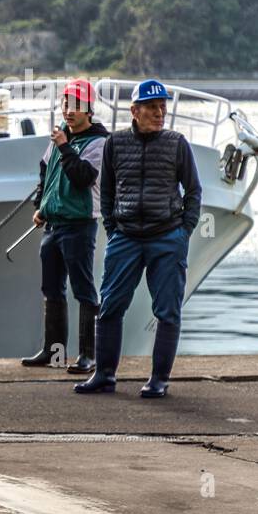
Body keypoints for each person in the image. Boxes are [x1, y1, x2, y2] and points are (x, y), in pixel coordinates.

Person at [75, 79, 202, 398]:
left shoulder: (177, 143)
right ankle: (104, 375)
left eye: (163, 107)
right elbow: (106, 190)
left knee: (167, 310)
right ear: (134, 111)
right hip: (125, 237)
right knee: (110, 306)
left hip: (167, 237)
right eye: (152, 107)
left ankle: (158, 379)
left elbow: (194, 191)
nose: (160, 113)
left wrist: (183, 231)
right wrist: (113, 227)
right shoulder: (115, 144)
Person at [21, 79, 108, 372]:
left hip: (80, 224)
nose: (69, 111)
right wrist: (40, 207)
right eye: (66, 104)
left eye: (77, 106)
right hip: (54, 225)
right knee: (51, 288)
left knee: (83, 288)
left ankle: (88, 355)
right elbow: (46, 170)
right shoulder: (60, 139)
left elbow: (83, 177)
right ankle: (53, 352)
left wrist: (65, 146)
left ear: (90, 110)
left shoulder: (99, 143)